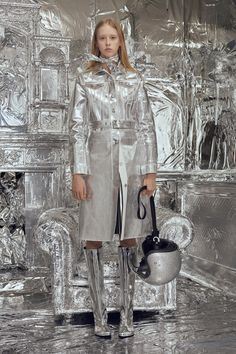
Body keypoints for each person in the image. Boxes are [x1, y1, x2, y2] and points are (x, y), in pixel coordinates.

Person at [70, 17, 157, 338]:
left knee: (128, 238)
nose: (107, 43)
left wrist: (150, 171)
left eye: (112, 37)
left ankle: (127, 316)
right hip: (95, 163)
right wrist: (78, 173)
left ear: (121, 42)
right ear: (96, 43)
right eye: (102, 38)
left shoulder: (135, 80)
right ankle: (99, 318)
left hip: (130, 165)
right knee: (93, 237)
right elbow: (77, 129)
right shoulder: (84, 79)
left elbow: (147, 127)